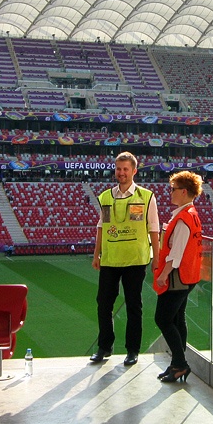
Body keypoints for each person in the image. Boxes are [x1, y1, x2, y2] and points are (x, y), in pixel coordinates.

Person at [91, 151, 160, 366]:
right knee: (103, 303)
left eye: (125, 169)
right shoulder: (105, 196)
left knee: (133, 305)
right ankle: (104, 347)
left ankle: (132, 350)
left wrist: (156, 257)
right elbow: (102, 227)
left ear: (134, 171)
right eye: (119, 169)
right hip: (110, 258)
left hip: (135, 259)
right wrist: (96, 255)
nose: (121, 173)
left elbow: (154, 229)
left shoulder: (146, 196)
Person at [153, 170, 203, 383]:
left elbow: (176, 253)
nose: (170, 193)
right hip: (189, 276)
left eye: (173, 189)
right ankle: (177, 363)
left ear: (184, 192)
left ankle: (180, 364)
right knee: (177, 318)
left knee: (163, 319)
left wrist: (163, 274)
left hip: (177, 277)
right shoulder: (190, 214)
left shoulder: (183, 218)